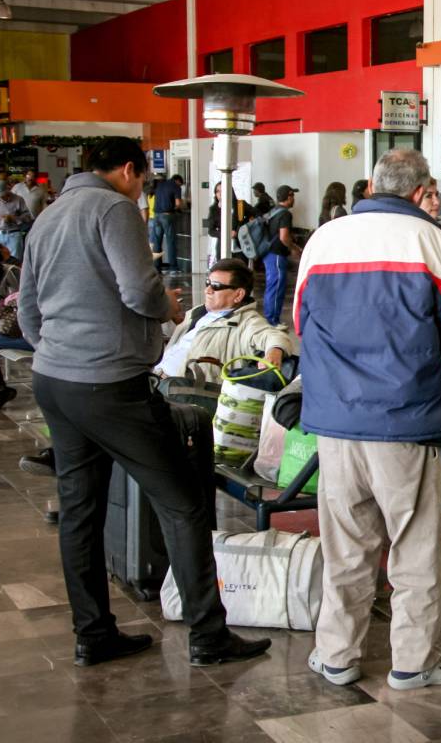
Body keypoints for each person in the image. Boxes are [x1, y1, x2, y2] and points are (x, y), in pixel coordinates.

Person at [18, 136, 270, 668]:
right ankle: (208, 635)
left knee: (79, 512)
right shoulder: (114, 208)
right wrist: (169, 306)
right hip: (109, 385)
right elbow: (138, 289)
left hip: (54, 380)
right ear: (130, 171)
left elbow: (28, 312)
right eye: (142, 181)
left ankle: (94, 634)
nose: (141, 192)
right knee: (182, 503)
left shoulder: (49, 214)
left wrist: (60, 353)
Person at [294, 148, 441, 690]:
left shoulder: (325, 238)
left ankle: (336, 656)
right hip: (404, 421)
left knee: (346, 543)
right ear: (422, 192)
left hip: (335, 420)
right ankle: (412, 664)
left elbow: (302, 320)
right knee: (414, 547)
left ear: (372, 184)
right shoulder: (431, 242)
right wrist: (414, 384)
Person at [156, 258, 293, 381]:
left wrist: (274, 351)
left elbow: (274, 335)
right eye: (207, 283)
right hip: (155, 375)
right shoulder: (199, 311)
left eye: (216, 286)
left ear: (238, 295)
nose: (207, 290)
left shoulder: (247, 321)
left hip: (178, 390)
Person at [264, 185, 302, 327]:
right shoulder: (285, 214)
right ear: (289, 196)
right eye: (293, 196)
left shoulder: (273, 211)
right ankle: (272, 321)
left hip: (269, 253)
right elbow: (284, 237)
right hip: (277, 254)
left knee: (272, 285)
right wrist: (294, 248)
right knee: (276, 286)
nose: (294, 200)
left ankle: (271, 318)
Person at [0, 180, 33, 261]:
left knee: (15, 260)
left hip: (13, 235)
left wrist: (13, 218)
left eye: (2, 194)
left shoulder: (18, 200)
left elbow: (28, 217)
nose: (0, 197)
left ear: (7, 190)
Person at [151, 173, 183, 273]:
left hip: (156, 216)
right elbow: (178, 203)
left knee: (157, 242)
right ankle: (173, 267)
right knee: (171, 242)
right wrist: (176, 208)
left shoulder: (160, 185)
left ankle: (156, 267)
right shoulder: (175, 186)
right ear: (178, 181)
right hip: (167, 216)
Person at [205, 182, 222, 269]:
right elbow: (211, 231)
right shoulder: (213, 209)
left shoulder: (238, 205)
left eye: (223, 190)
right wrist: (225, 234)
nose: (220, 193)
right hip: (222, 244)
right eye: (218, 191)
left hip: (239, 246)